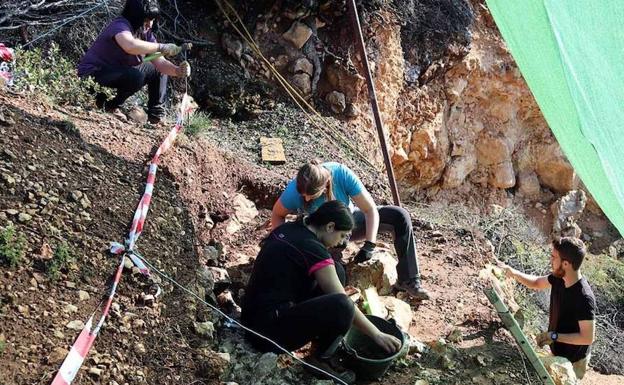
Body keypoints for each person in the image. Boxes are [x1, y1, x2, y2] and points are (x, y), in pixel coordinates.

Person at [242, 200, 401, 383]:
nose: (341, 243)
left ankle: (320, 342)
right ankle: (320, 358)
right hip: (266, 335)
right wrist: (376, 334)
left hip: (253, 317)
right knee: (343, 306)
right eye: (342, 236)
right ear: (330, 226)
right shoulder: (313, 249)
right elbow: (341, 299)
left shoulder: (292, 228)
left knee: (337, 271)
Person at [271, 160, 430, 300]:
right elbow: (277, 214)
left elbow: (370, 210)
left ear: (326, 184)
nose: (306, 199)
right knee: (337, 277)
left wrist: (369, 244)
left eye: (311, 196)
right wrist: (285, 244)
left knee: (399, 216)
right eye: (303, 196)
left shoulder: (341, 174)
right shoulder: (294, 191)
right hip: (321, 237)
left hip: (349, 224)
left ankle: (408, 280)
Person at [77, 0, 190, 124]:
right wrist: (161, 47)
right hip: (93, 76)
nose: (150, 25)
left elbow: (160, 63)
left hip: (116, 74)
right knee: (136, 76)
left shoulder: (146, 34)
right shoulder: (120, 26)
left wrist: (177, 71)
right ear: (136, 17)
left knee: (156, 70)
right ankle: (110, 105)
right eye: (147, 20)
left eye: (152, 20)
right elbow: (130, 45)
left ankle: (156, 116)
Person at [500, 237, 596, 380]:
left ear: (565, 264)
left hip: (573, 361)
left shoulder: (584, 298)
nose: (550, 260)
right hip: (557, 351)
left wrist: (554, 336)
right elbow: (537, 283)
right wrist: (514, 273)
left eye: (553, 257)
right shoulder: (559, 277)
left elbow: (587, 338)